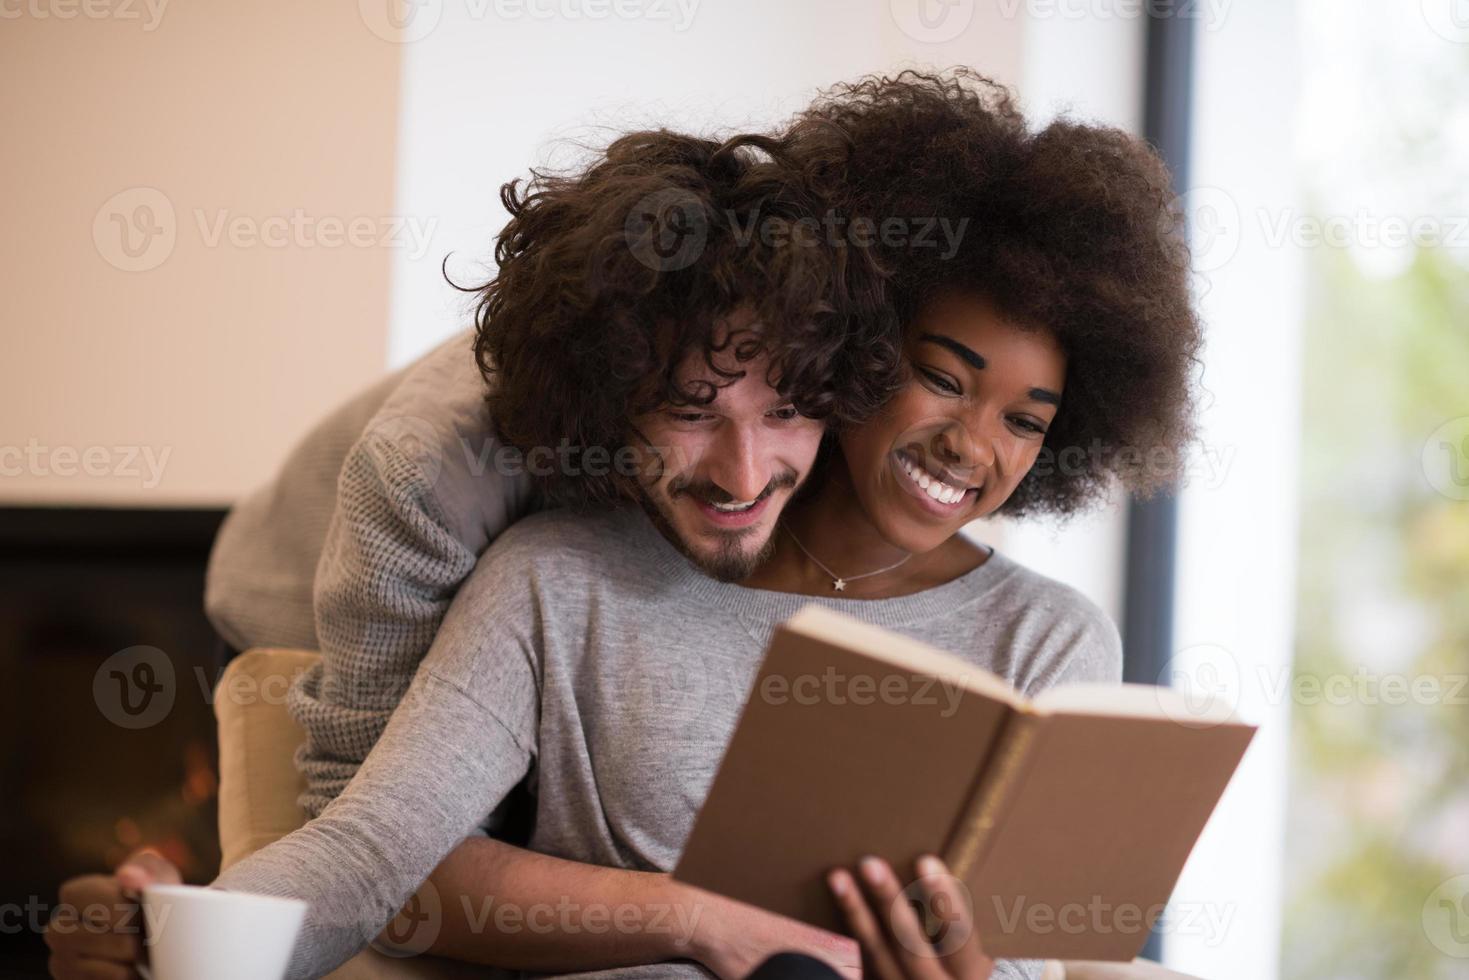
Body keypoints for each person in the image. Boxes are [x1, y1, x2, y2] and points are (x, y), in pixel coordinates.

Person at [47, 70, 1202, 980]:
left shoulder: (1053, 641)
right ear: (868, 347)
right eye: (693, 410)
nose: (970, 442)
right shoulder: (549, 570)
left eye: (1025, 420)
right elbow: (372, 848)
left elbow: (1018, 960)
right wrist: (172, 927)